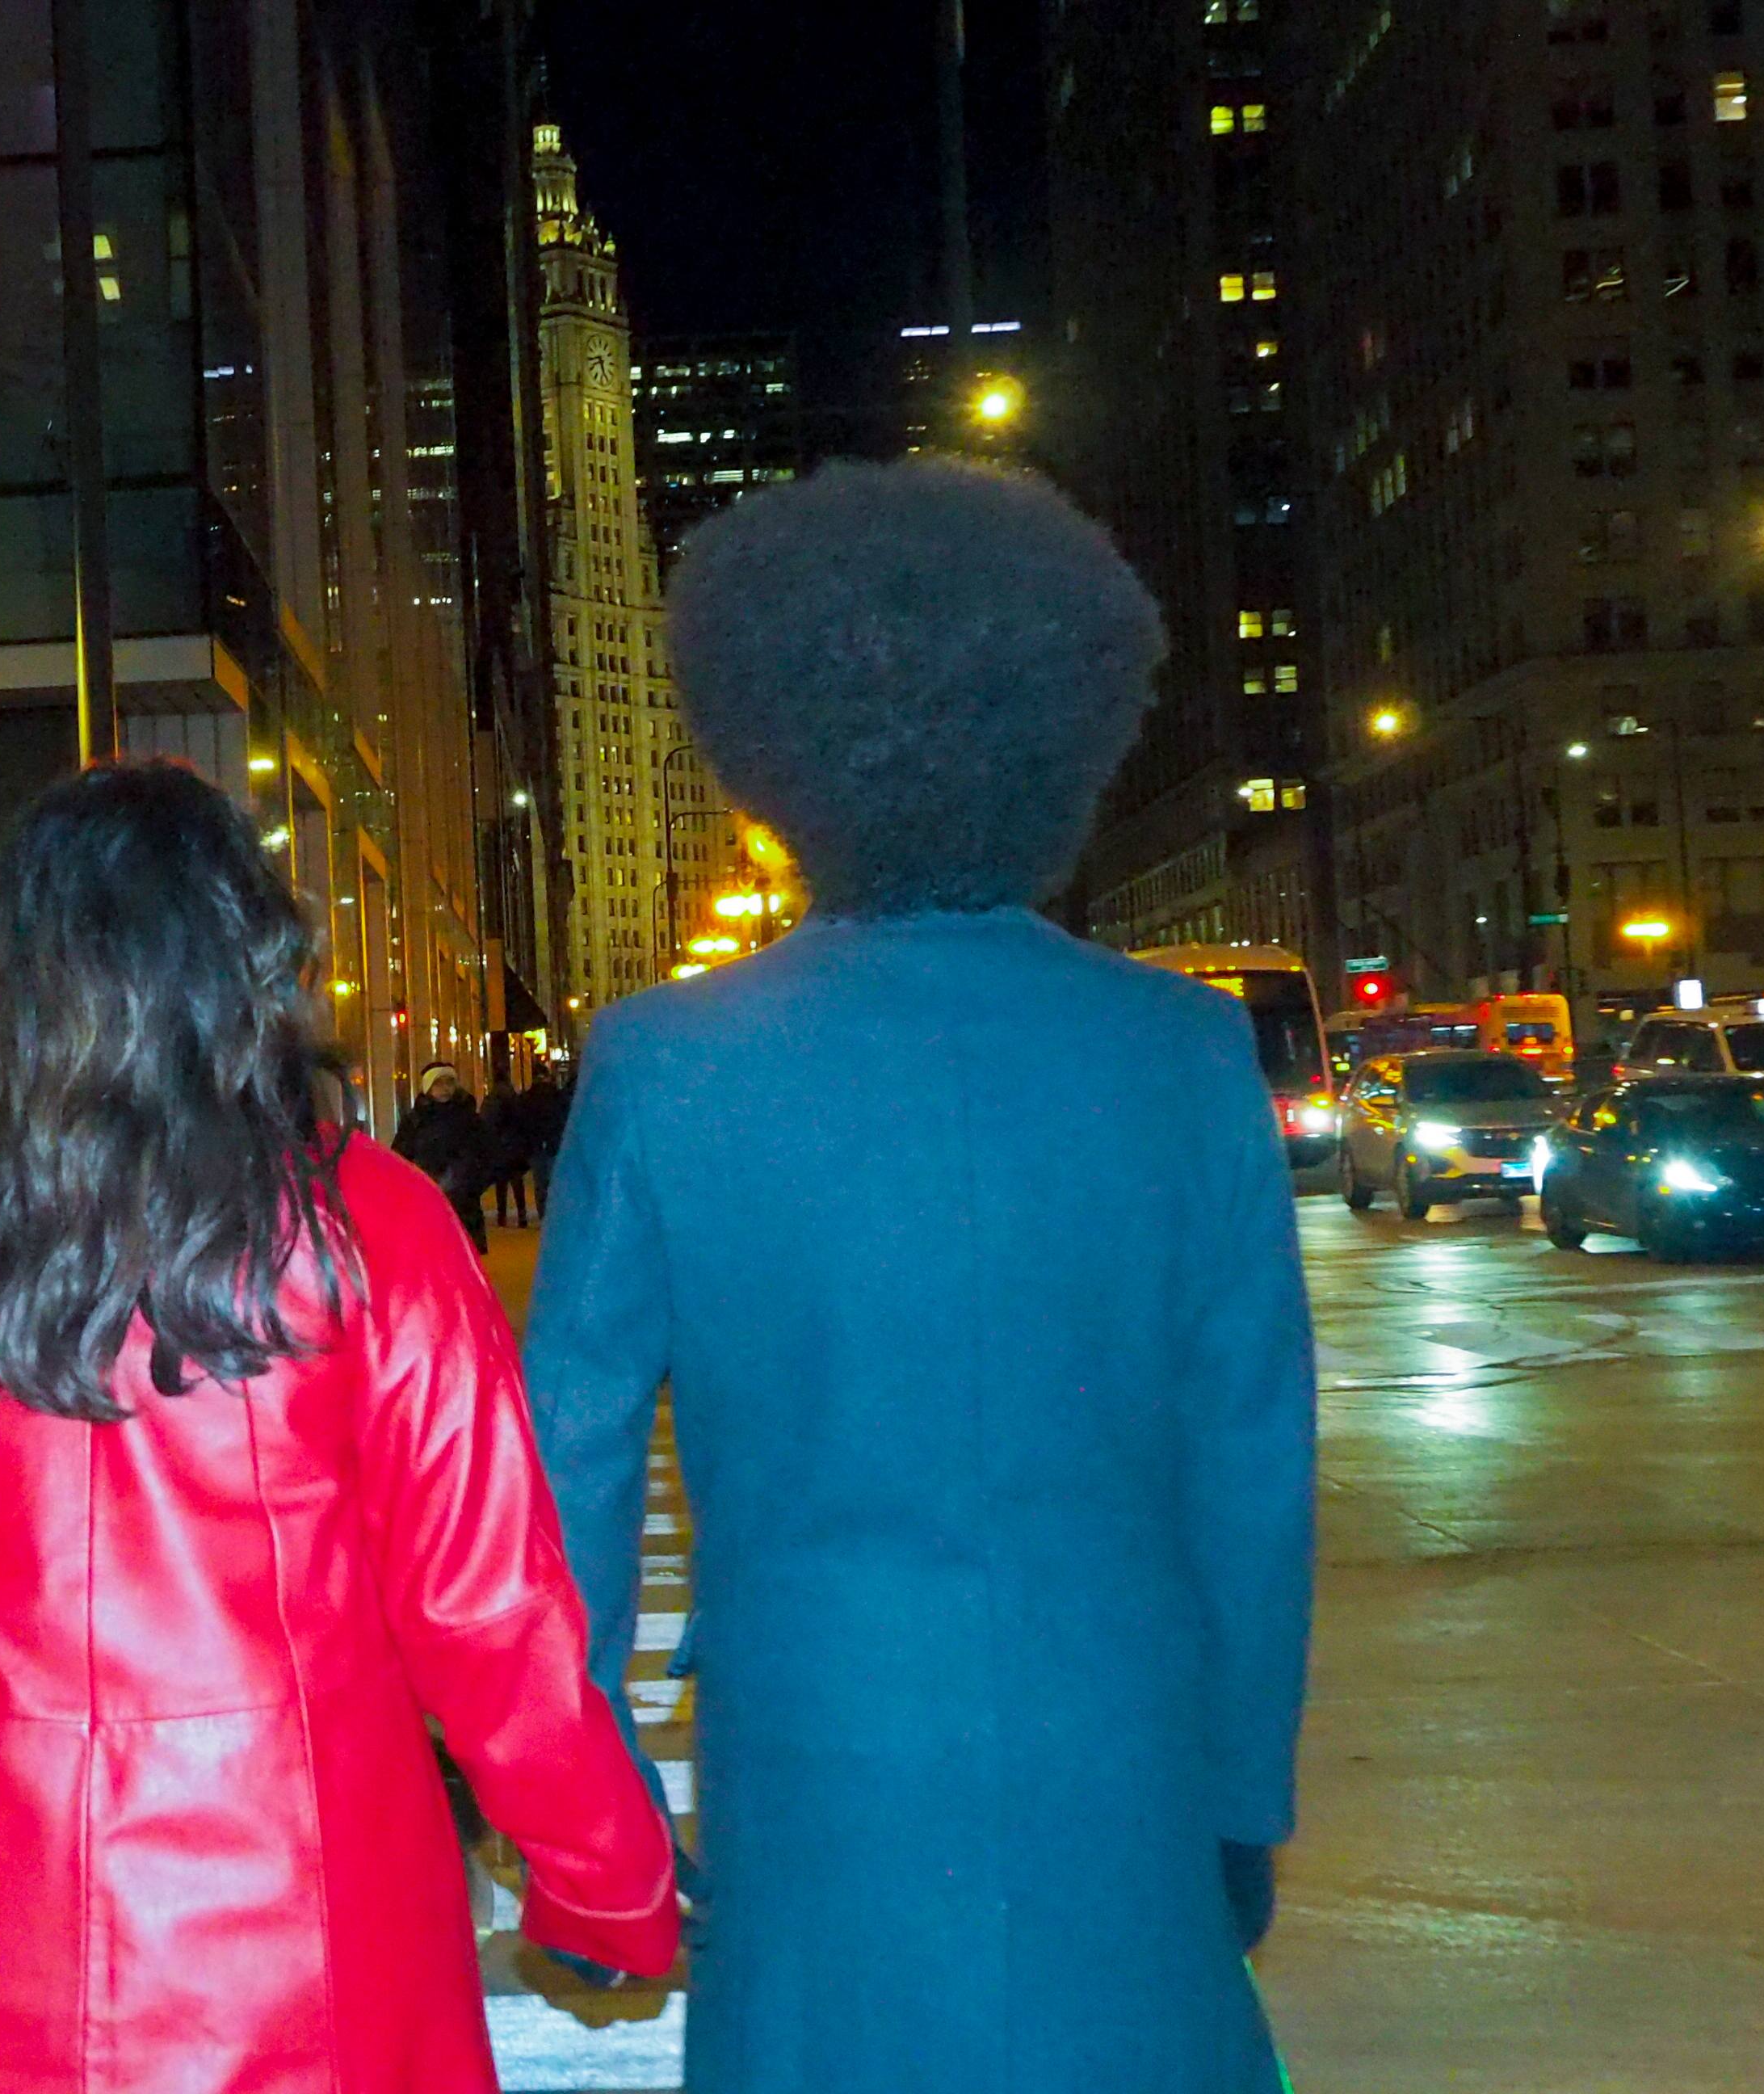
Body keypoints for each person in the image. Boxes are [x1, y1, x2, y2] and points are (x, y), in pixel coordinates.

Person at [524, 459, 1316, 2094]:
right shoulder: (1182, 1055)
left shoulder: (667, 1063)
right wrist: (1245, 1788)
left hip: (820, 1752)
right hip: (1125, 1737)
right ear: (1065, 729)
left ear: (776, 744)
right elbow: (1254, 1471)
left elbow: (567, 1473)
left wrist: (584, 1811)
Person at [0, 763, 676, 2094]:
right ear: (247, 962)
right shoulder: (368, 1227)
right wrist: (602, 1879)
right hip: (310, 1938)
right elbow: (487, 1607)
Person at [393, 1062, 495, 1247]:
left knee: (462, 1251)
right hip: (426, 1198)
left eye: (450, 1083)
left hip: (463, 1200)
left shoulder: (468, 1118)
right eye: (439, 1083)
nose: (445, 1089)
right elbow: (400, 1156)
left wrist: (472, 1183)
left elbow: (487, 1154)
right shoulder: (415, 1121)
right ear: (428, 1087)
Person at [481, 1074, 540, 1228]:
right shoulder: (516, 1102)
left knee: (501, 1184)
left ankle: (502, 1216)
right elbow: (525, 1123)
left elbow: (486, 1125)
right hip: (515, 1146)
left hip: (498, 1147)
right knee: (516, 1182)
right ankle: (522, 1215)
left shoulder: (490, 1102)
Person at [523, 1068, 573, 1218]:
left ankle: (543, 1213)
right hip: (553, 1144)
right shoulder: (557, 1096)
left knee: (539, 1183)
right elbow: (563, 1119)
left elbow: (523, 1123)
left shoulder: (528, 1098)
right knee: (553, 1181)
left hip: (536, 1146)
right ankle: (553, 1213)